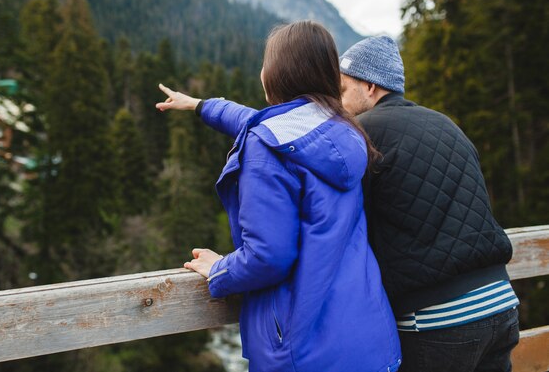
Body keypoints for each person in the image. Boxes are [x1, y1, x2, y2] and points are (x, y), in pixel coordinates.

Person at [156, 21, 402, 372]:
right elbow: (253, 120)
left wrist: (220, 270)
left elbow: (268, 257)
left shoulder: (267, 145)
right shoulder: (338, 129)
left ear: (275, 73)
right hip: (370, 344)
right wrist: (199, 105)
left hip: (305, 354)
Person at [338, 35, 519, 372]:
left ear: (369, 87)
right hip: (501, 302)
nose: (339, 102)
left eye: (343, 90)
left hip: (440, 318)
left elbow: (345, 225)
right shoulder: (445, 124)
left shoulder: (361, 133)